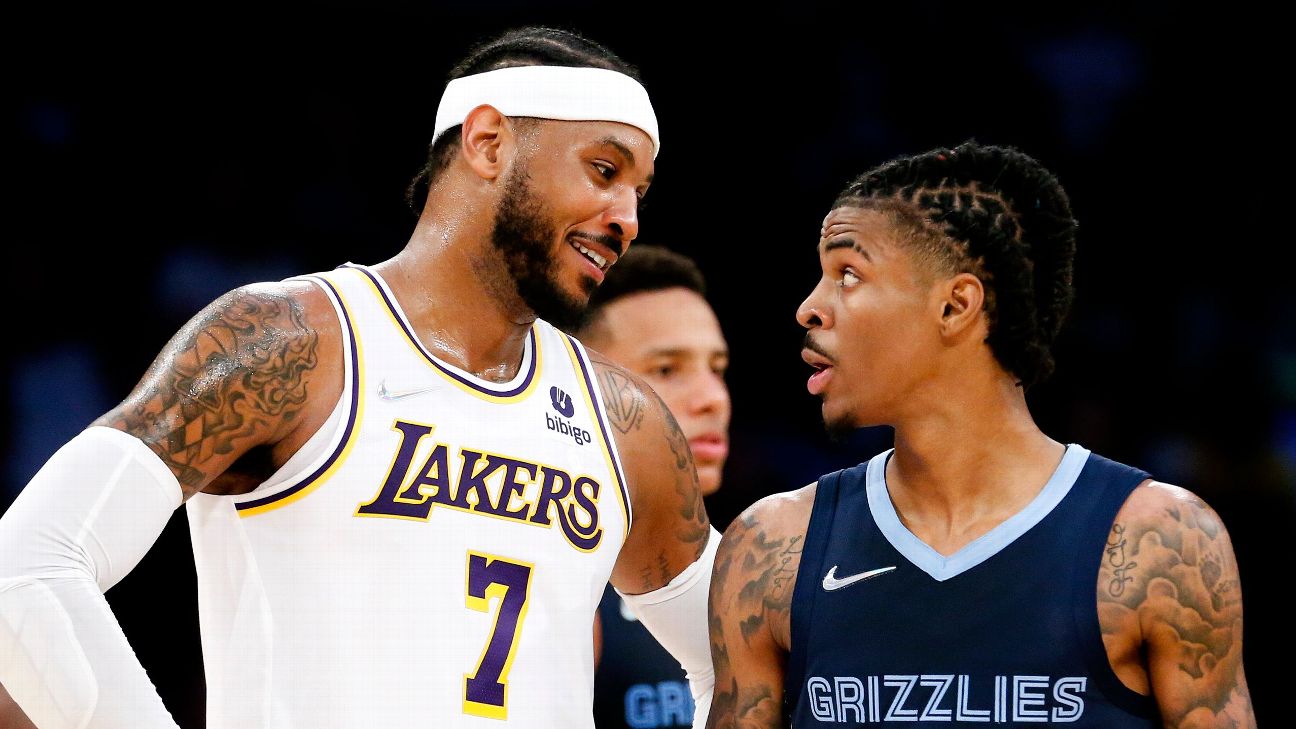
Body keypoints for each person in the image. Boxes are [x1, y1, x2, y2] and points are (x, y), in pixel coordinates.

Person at [0, 26, 719, 729]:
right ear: (488, 142)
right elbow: (26, 565)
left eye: (640, 192)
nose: (628, 219)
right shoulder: (289, 342)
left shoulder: (624, 421)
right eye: (604, 170)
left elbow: (746, 656)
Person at [705, 141, 1255, 728]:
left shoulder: (1160, 540)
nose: (809, 308)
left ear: (955, 306)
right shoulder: (771, 546)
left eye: (848, 274)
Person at [570, 245, 730, 729]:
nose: (713, 398)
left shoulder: (752, 565)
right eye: (666, 369)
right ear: (581, 384)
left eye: (717, 368)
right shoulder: (560, 586)